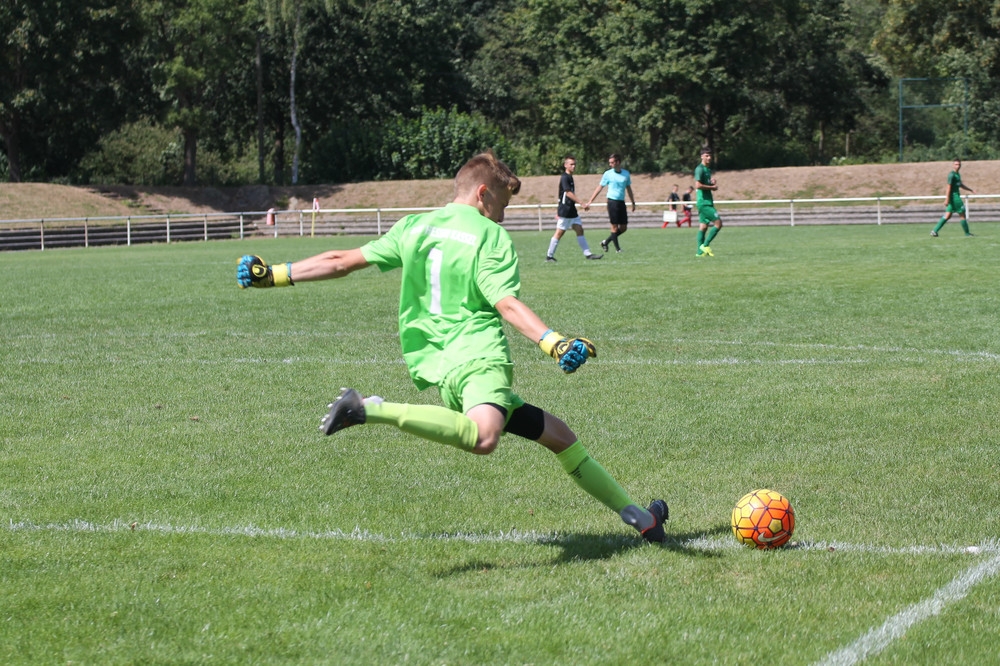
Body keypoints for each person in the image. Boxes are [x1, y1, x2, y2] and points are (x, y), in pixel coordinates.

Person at [236, 151, 667, 543]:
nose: (502, 216)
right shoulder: (490, 236)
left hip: (444, 370)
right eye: (502, 204)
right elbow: (506, 303)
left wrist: (274, 274)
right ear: (482, 194)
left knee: (560, 436)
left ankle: (641, 518)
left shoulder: (414, 226)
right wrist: (553, 342)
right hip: (480, 359)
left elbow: (341, 261)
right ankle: (369, 408)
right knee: (483, 436)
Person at [546, 156, 603, 261]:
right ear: (565, 165)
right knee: (559, 233)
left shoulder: (570, 177)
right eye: (571, 164)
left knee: (579, 229)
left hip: (571, 209)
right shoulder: (565, 177)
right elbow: (568, 193)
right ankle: (549, 256)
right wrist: (581, 203)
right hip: (565, 209)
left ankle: (588, 254)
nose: (573, 166)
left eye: (574, 164)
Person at [585, 153, 636, 254]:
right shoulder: (607, 174)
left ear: (618, 162)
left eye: (612, 162)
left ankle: (605, 242)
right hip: (612, 202)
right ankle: (618, 249)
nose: (610, 164)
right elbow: (599, 187)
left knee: (623, 227)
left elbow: (629, 189)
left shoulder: (626, 174)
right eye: (609, 162)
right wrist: (590, 200)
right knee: (614, 227)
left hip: (621, 202)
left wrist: (633, 202)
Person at [931, 158, 976, 237]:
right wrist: (947, 199)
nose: (957, 166)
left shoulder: (957, 174)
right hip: (955, 198)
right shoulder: (951, 175)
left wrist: (970, 190)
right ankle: (967, 233)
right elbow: (948, 187)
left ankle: (934, 231)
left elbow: (960, 185)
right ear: (953, 165)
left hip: (953, 198)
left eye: (959, 164)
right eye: (956, 164)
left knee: (947, 215)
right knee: (962, 214)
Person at [694, 148, 722, 256]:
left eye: (710, 156)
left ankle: (699, 252)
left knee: (703, 227)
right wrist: (712, 187)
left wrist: (711, 183)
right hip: (704, 202)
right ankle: (705, 245)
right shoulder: (699, 169)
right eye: (706, 155)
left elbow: (705, 184)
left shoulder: (707, 170)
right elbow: (698, 185)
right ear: (701, 156)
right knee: (718, 223)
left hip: (707, 201)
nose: (709, 158)